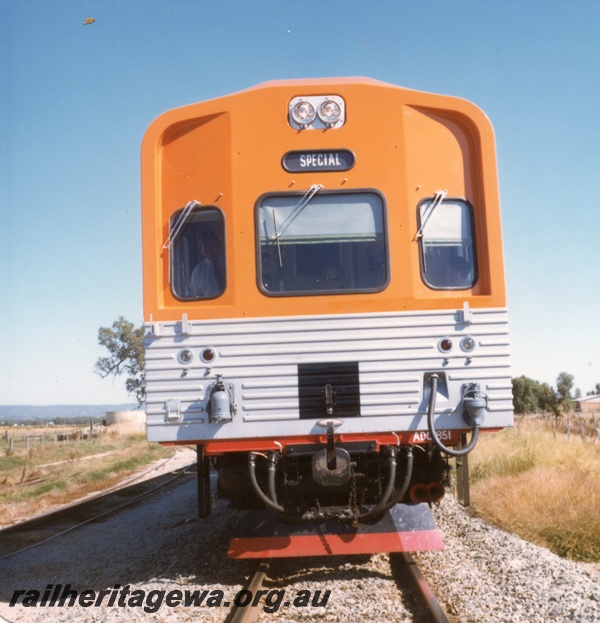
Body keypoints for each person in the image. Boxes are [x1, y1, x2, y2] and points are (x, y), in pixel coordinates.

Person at [189, 230, 225, 298]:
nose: (208, 248)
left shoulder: (229, 262)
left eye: (210, 244)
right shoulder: (197, 272)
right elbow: (195, 297)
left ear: (218, 245)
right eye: (204, 246)